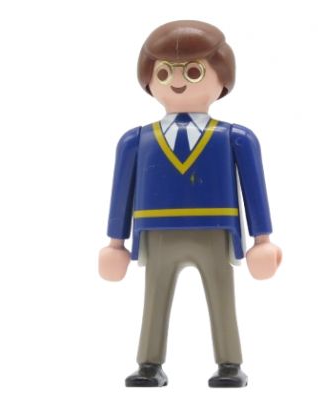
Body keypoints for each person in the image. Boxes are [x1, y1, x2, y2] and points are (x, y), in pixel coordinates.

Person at [98, 20, 282, 387]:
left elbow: (254, 188)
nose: (178, 81)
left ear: (222, 77)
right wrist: (115, 243)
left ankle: (229, 363)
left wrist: (262, 240)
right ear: (149, 80)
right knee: (154, 296)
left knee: (221, 294)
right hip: (157, 232)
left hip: (215, 229)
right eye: (165, 72)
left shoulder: (235, 137)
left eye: (194, 71)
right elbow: (121, 191)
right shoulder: (136, 140)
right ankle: (149, 363)